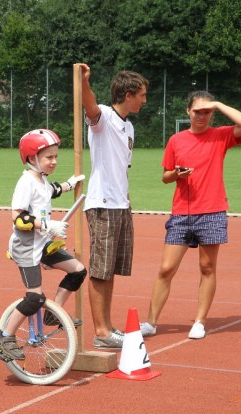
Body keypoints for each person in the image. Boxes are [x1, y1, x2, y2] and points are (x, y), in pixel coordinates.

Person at [140, 91, 241, 339]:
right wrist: (177, 174)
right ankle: (151, 322)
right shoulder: (176, 140)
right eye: (197, 111)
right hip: (182, 212)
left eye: (207, 112)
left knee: (207, 267)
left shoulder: (220, 135)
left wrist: (218, 103)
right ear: (188, 112)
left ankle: (200, 322)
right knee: (166, 268)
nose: (202, 116)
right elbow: (165, 176)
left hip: (212, 211)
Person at [0, 129, 86, 361]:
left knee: (78, 271)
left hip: (42, 244)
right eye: (49, 157)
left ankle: (53, 313)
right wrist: (47, 224)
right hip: (25, 248)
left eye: (56, 156)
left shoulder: (41, 179)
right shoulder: (26, 183)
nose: (54, 161)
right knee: (35, 298)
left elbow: (52, 191)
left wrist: (70, 184)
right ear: (32, 158)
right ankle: (6, 336)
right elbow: (18, 218)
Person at [80, 63, 149, 349]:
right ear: (128, 94)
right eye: (142, 95)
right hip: (103, 204)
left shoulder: (129, 126)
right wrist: (84, 82)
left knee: (110, 270)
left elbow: (123, 169)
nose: (145, 100)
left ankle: (107, 327)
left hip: (121, 205)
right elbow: (90, 106)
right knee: (100, 270)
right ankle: (101, 332)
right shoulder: (105, 118)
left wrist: (128, 201)